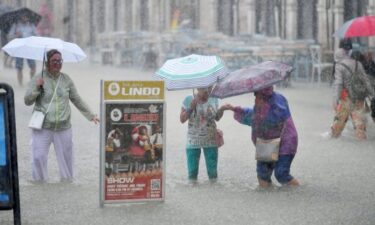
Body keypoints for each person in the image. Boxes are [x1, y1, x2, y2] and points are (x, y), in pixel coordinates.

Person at [24, 49, 99, 182]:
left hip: (63, 127)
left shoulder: (66, 79)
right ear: (47, 62)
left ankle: (66, 186)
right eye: (54, 61)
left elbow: (77, 99)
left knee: (67, 162)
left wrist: (91, 115)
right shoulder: (38, 78)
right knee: (38, 157)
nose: (58, 63)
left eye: (60, 61)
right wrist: (37, 88)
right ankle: (40, 184)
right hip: (43, 127)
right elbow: (27, 101)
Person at [220, 86, 299, 188]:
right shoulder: (260, 106)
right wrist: (233, 108)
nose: (255, 98)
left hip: (286, 141)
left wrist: (260, 110)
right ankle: (267, 199)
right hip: (267, 140)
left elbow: (273, 118)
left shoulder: (278, 101)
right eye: (255, 94)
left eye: (256, 95)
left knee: (281, 174)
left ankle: (297, 192)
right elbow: (253, 115)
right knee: (263, 174)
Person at [331, 38, 375, 140]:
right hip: (359, 97)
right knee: (359, 126)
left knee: (337, 126)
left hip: (345, 98)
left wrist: (335, 100)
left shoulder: (339, 65)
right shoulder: (357, 63)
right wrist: (373, 94)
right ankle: (361, 148)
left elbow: (338, 84)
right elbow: (366, 81)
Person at [180, 87, 226, 183]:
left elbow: (217, 118)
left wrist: (222, 109)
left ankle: (213, 195)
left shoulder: (214, 98)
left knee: (213, 174)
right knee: (192, 174)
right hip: (193, 140)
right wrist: (191, 107)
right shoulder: (189, 99)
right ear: (198, 87)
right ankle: (193, 196)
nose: (208, 91)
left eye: (210, 87)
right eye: (204, 89)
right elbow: (182, 119)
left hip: (210, 140)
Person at [8, 14, 37, 85]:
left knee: (33, 66)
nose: (25, 18)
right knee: (19, 67)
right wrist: (16, 36)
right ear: (20, 17)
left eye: (26, 16)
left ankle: (31, 82)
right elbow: (10, 36)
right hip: (19, 49)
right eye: (23, 16)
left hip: (29, 48)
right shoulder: (16, 25)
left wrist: (33, 37)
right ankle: (20, 84)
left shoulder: (31, 25)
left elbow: (36, 35)